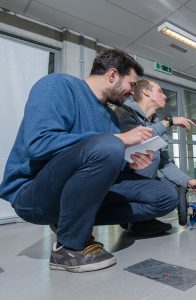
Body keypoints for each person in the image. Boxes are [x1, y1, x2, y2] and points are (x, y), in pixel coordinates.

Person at [0, 49, 180, 272]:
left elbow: (103, 161)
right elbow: (39, 144)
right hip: (33, 194)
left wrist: (132, 162)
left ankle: (72, 220)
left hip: (77, 193)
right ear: (113, 75)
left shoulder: (111, 116)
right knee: (109, 144)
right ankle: (68, 247)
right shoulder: (57, 85)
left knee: (166, 196)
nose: (133, 93)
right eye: (131, 85)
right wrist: (117, 139)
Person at [114, 79, 196, 233]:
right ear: (146, 92)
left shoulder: (156, 123)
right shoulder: (124, 111)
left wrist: (188, 181)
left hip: (143, 181)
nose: (165, 96)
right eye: (160, 91)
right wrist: (168, 122)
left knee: (173, 189)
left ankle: (139, 219)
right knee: (151, 156)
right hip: (120, 179)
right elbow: (136, 143)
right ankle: (133, 219)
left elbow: (166, 164)